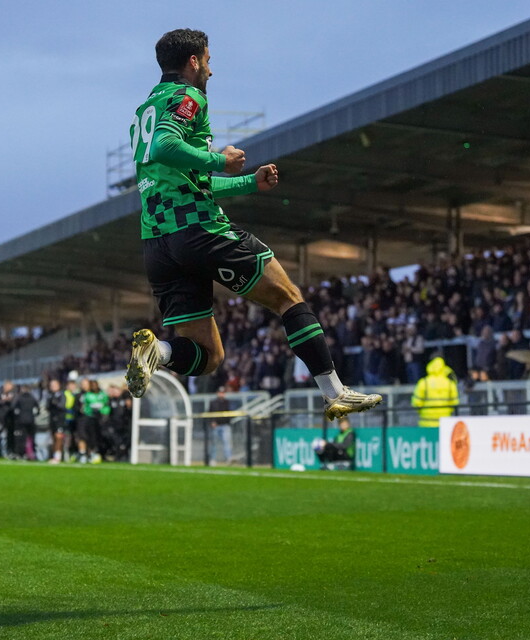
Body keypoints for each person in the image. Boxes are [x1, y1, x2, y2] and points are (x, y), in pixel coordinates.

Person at [123, 28, 380, 422]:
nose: (211, 70)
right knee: (288, 297)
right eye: (208, 60)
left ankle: (158, 351)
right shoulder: (187, 97)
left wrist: (248, 182)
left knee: (209, 356)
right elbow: (165, 146)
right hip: (199, 229)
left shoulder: (144, 111)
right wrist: (221, 161)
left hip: (158, 245)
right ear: (193, 61)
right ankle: (335, 393)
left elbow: (186, 179)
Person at [410, 356, 459, 428]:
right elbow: (455, 403)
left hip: (426, 422)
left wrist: (423, 412)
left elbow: (416, 403)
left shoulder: (424, 382)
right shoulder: (450, 383)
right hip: (444, 422)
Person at [208, 387, 233, 465]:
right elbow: (209, 413)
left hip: (225, 425)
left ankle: (229, 458)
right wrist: (212, 422)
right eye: (220, 392)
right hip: (216, 426)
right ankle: (213, 459)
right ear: (217, 393)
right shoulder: (213, 402)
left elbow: (230, 414)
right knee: (214, 443)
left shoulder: (227, 402)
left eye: (223, 393)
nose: (221, 394)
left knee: (227, 443)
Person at [13, 385, 40, 460]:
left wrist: (17, 416)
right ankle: (32, 453)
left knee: (21, 438)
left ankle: (21, 453)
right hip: (31, 420)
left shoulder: (19, 398)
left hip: (21, 421)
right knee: (32, 438)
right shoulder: (32, 398)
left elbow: (14, 408)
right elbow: (37, 409)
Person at [45, 379, 67, 464]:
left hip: (60, 419)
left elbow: (62, 406)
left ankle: (58, 456)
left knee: (58, 437)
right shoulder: (50, 395)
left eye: (54, 385)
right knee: (53, 437)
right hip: (52, 419)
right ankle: (54, 455)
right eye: (51, 385)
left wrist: (55, 403)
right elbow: (47, 407)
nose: (53, 387)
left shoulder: (62, 394)